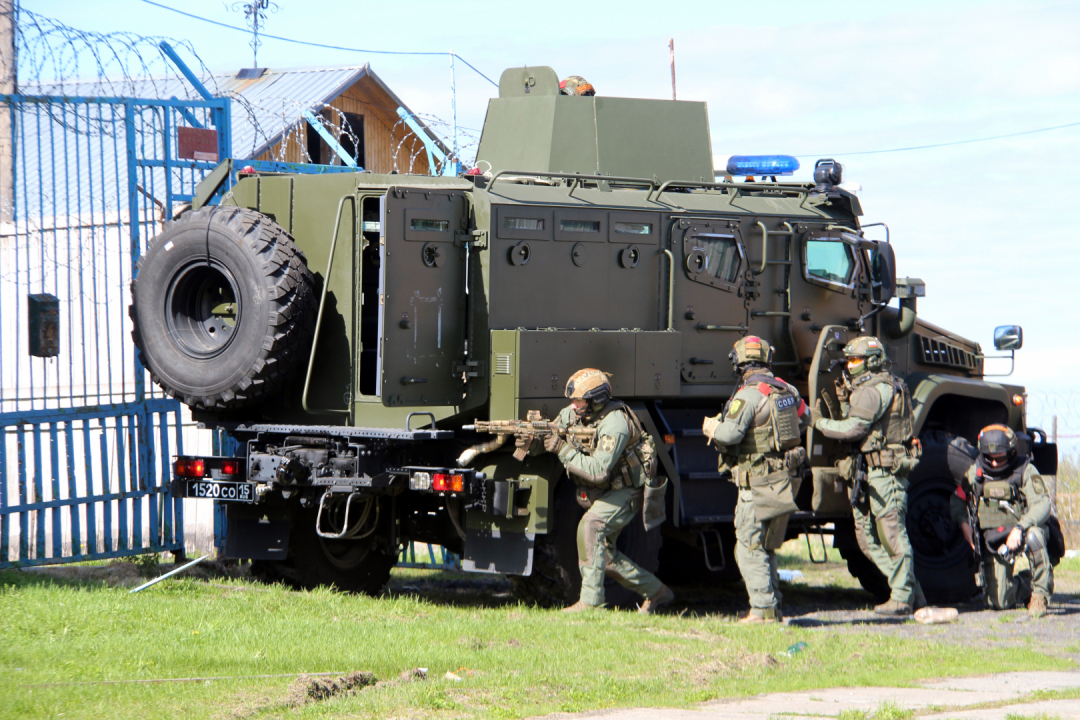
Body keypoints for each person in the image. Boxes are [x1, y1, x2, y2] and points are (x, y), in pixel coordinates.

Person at [524, 367, 673, 614]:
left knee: (591, 526)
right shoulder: (573, 415)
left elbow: (598, 470)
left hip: (627, 490)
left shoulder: (615, 423)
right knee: (605, 557)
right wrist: (533, 441)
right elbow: (551, 435)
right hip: (604, 490)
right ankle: (657, 592)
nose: (572, 405)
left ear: (596, 399)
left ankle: (591, 603)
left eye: (578, 400)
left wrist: (561, 448)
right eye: (571, 400)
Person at [813, 336, 925, 615]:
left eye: (854, 361)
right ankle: (910, 592)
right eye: (849, 360)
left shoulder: (875, 389)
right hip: (868, 472)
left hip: (884, 473)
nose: (850, 366)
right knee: (867, 539)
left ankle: (901, 598)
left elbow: (853, 428)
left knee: (892, 535)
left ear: (872, 361)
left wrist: (817, 422)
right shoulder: (873, 386)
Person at [702, 336, 807, 624]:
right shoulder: (788, 390)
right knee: (767, 545)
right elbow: (805, 419)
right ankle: (774, 605)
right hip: (784, 478)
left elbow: (729, 435)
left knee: (749, 545)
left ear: (738, 363)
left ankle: (762, 610)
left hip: (757, 482)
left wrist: (711, 425)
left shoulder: (748, 395)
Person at [951, 424, 1054, 617]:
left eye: (1000, 458)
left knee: (1034, 536)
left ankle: (1040, 593)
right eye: (990, 459)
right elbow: (957, 499)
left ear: (1011, 452)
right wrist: (963, 522)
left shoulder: (1025, 469)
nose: (995, 464)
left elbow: (1042, 505)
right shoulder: (976, 472)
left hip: (1022, 531)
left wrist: (1020, 527)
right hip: (995, 537)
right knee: (999, 602)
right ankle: (1027, 583)